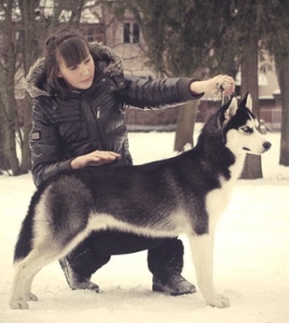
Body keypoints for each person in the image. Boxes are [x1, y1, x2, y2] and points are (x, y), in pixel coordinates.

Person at [24, 28, 235, 296]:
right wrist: (77, 162)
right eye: (74, 67)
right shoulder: (46, 106)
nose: (85, 71)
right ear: (58, 72)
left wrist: (200, 87)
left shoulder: (110, 82)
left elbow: (154, 91)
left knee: (168, 207)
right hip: (82, 195)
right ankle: (76, 262)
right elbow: (42, 174)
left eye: (87, 60)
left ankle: (166, 273)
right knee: (99, 243)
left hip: (123, 187)